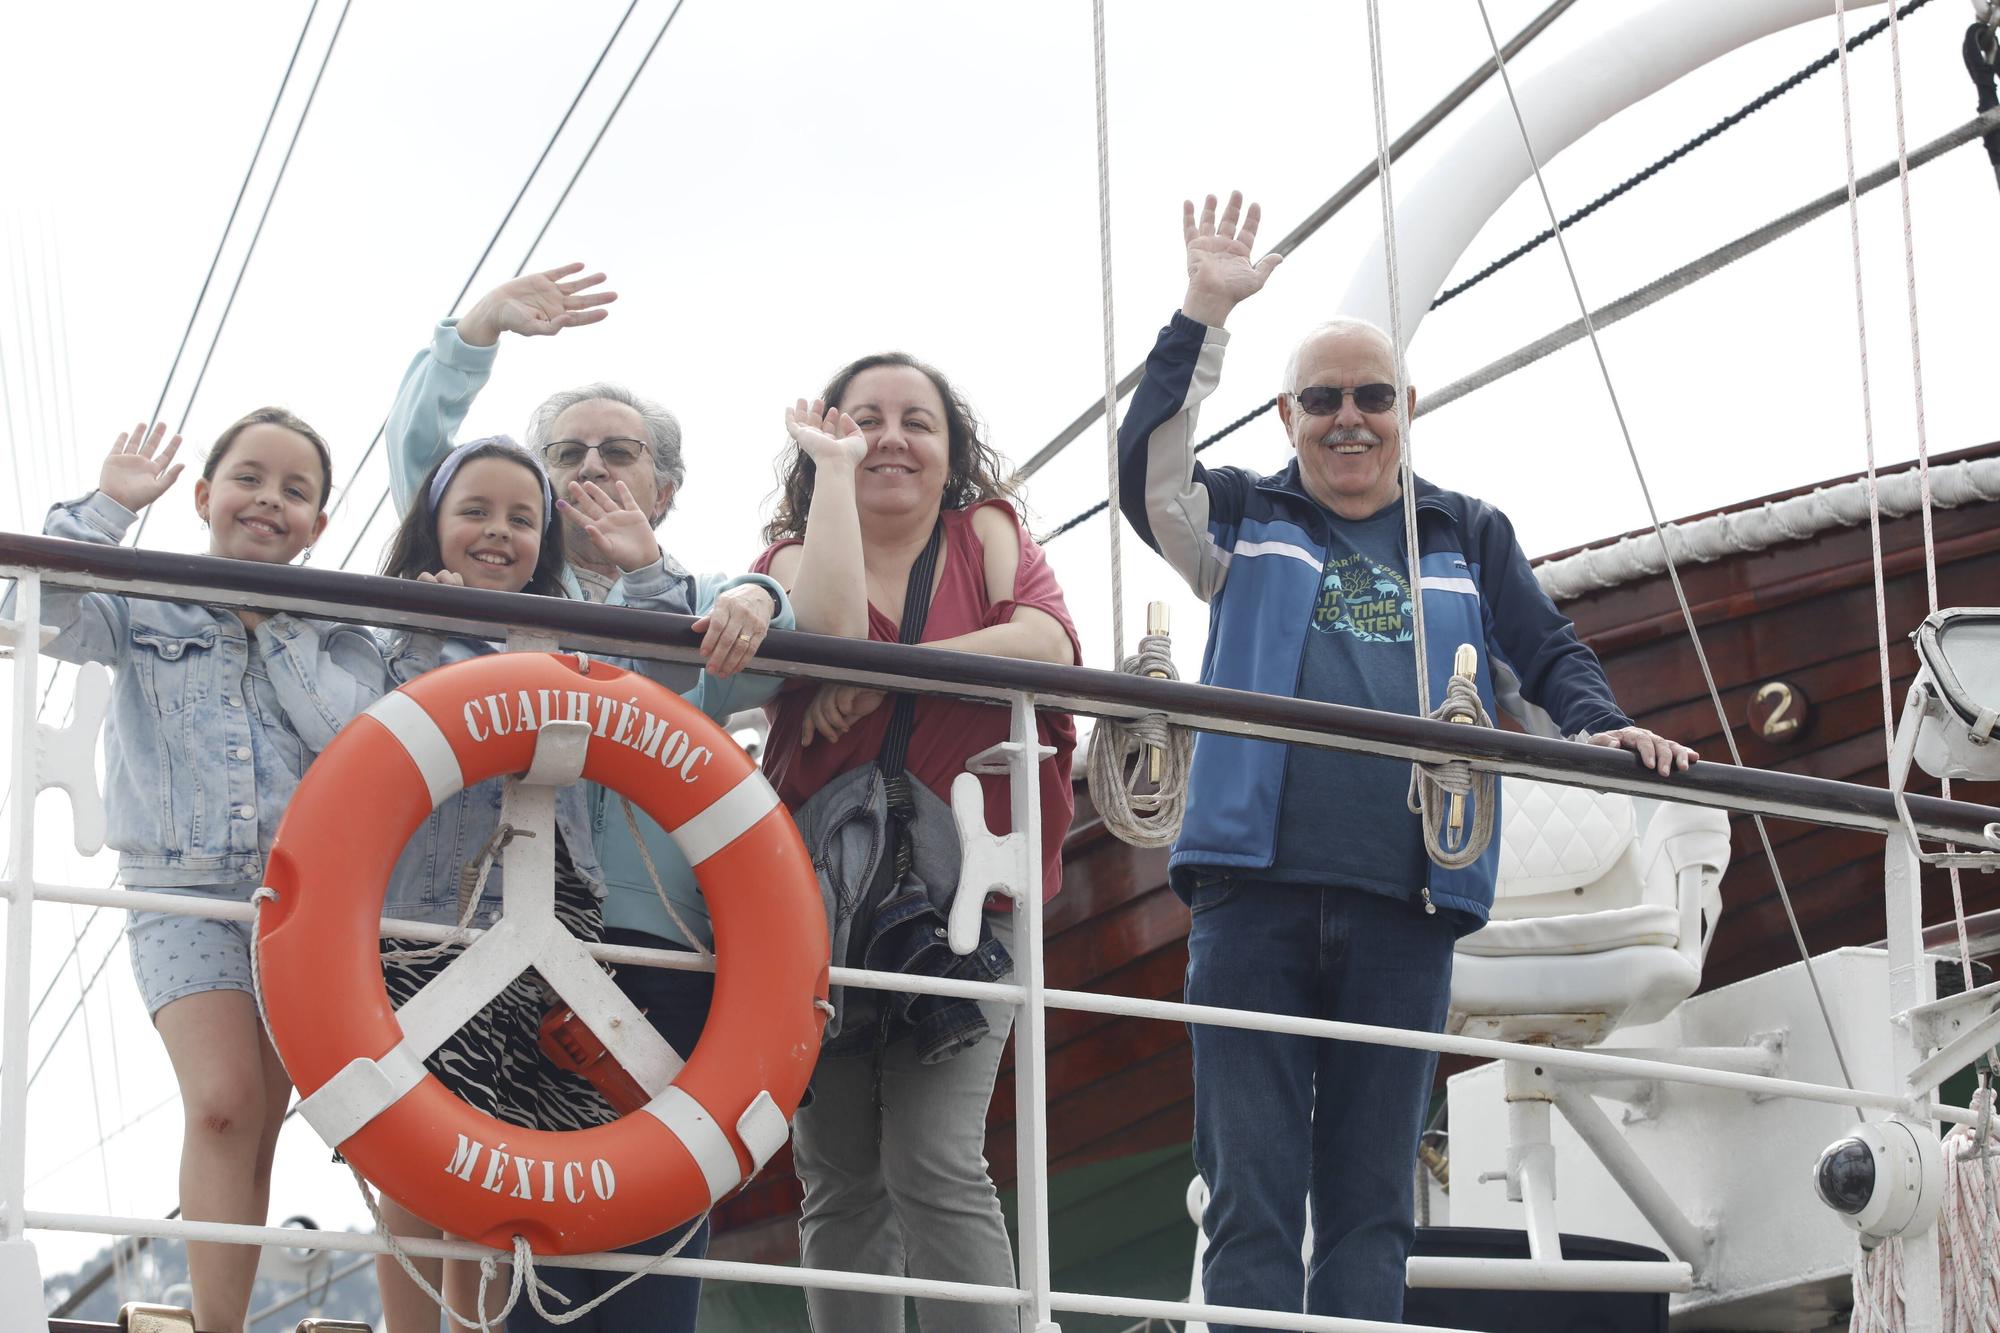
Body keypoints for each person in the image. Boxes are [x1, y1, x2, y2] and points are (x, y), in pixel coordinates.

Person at [1115, 192, 1697, 1327]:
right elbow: (1147, 475)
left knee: (1372, 1201)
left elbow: (1543, 648)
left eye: (1371, 397)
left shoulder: (1466, 532)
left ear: (1407, 408)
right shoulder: (1238, 518)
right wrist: (1202, 314)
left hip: (1407, 901)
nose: (1349, 418)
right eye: (1323, 399)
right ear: (1286, 415)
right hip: (1251, 896)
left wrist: (1598, 727)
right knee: (1248, 1195)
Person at [386, 267, 796, 1328]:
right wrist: (475, 333)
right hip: (509, 932)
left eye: (619, 452)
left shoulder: (703, 603)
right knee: (515, 1202)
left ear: (666, 488)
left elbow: (772, 646)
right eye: (567, 453)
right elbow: (429, 465)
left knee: (648, 1240)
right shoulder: (499, 588)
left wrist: (747, 591)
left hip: (662, 947)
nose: (593, 467)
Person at [8, 412, 377, 1333]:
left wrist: (278, 627)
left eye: (295, 490)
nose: (269, 500)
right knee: (221, 1105)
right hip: (178, 888)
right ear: (205, 495)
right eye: (249, 478)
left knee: (259, 1124)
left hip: (300, 898)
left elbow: (356, 738)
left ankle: (225, 1314)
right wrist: (106, 508)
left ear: (319, 524)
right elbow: (30, 610)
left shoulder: (338, 628)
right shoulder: (146, 601)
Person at [751, 354, 1082, 1333]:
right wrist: (834, 486)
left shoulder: (988, 537)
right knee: (839, 1173)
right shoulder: (787, 561)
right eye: (865, 420)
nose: (890, 438)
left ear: (950, 451)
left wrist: (891, 673)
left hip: (973, 895)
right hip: (824, 907)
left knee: (935, 1157)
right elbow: (828, 626)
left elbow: (1048, 645)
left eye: (916, 421)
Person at [343, 436, 690, 1330]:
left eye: (521, 518)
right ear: (433, 526)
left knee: (509, 1140)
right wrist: (424, 626)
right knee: (419, 1146)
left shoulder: (574, 643)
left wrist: (645, 570)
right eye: (475, 512)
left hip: (556, 915)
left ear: (545, 540)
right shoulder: (394, 631)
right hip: (433, 917)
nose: (498, 531)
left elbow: (669, 680)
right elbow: (382, 736)